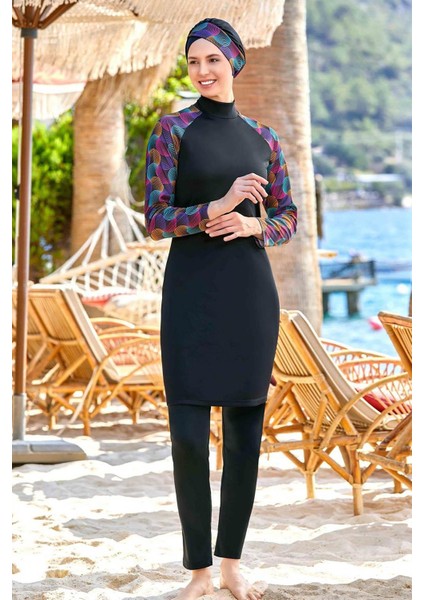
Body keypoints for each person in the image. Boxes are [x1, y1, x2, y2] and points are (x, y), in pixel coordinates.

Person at [144, 17, 297, 600]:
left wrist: (256, 226)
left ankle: (231, 564)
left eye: (212, 59)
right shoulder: (173, 131)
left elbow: (288, 216)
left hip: (249, 297)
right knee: (187, 436)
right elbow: (156, 218)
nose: (203, 71)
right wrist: (218, 205)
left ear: (233, 61)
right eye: (194, 62)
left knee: (243, 439)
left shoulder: (265, 138)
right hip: (190, 295)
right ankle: (198, 572)